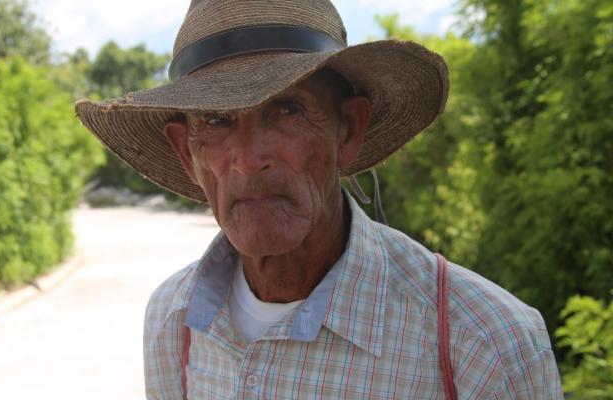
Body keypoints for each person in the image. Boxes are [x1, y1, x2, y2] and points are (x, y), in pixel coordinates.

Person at [75, 0, 563, 398]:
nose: (249, 159)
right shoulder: (172, 321)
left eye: (287, 109)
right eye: (217, 121)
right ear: (188, 153)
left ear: (348, 130)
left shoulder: (482, 344)